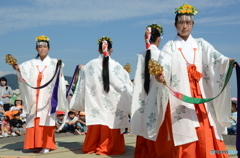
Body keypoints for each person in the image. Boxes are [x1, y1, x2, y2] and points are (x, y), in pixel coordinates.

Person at [155, 4, 233, 158]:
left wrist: (226, 61)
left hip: (200, 92)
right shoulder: (170, 46)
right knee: (184, 128)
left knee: (205, 127)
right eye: (181, 23)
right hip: (181, 94)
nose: (184, 26)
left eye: (188, 23)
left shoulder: (201, 43)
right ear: (175, 25)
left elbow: (214, 57)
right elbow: (163, 62)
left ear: (193, 24)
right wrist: (161, 74)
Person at [70, 36, 133, 155]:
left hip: (96, 100)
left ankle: (92, 146)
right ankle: (108, 147)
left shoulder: (91, 65)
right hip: (112, 101)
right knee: (111, 121)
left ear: (99, 50)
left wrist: (80, 68)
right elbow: (125, 83)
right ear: (111, 50)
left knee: (97, 120)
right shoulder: (116, 66)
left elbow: (83, 73)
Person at [12, 35, 68, 153]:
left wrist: (59, 66)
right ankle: (35, 144)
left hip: (47, 96)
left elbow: (59, 78)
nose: (42, 49)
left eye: (44, 47)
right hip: (34, 95)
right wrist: (18, 68)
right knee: (34, 119)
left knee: (46, 119)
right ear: (36, 49)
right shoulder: (30, 63)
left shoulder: (54, 62)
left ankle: (47, 145)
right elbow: (22, 71)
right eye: (40, 47)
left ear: (49, 49)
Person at [130, 24, 176, 158]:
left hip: (141, 94)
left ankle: (144, 153)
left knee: (144, 125)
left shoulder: (140, 55)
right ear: (159, 39)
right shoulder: (162, 54)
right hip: (156, 93)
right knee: (157, 125)